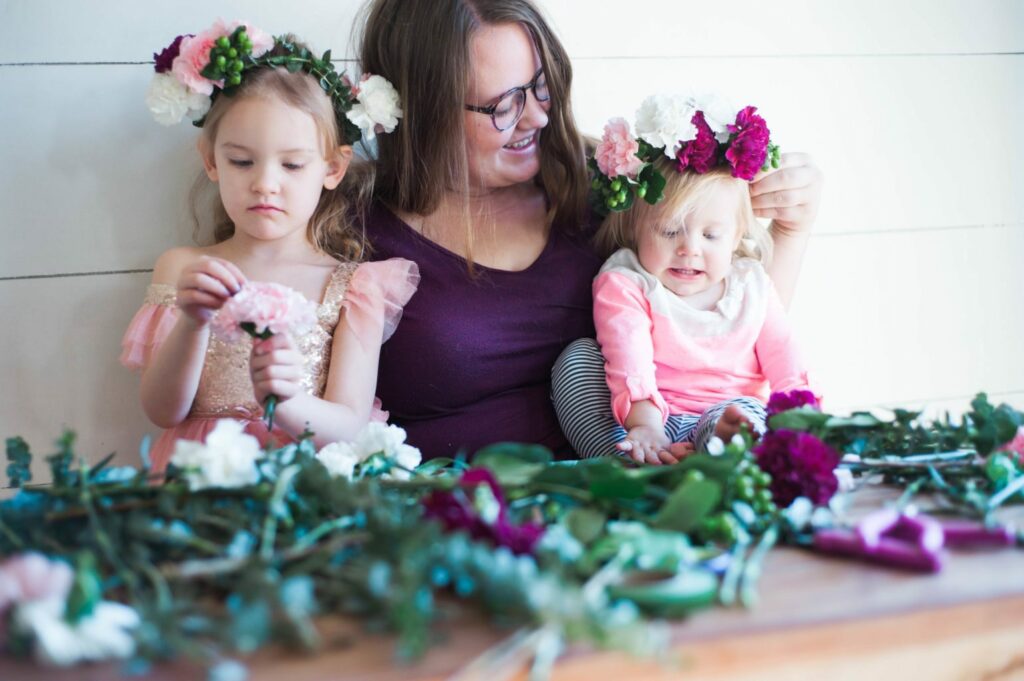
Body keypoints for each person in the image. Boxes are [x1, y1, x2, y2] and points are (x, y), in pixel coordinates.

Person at [350, 0, 822, 460]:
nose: (537, 117)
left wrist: (792, 230)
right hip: (456, 505)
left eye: (540, 87)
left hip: (640, 477)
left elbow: (732, 327)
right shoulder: (355, 229)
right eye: (503, 105)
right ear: (422, 109)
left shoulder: (609, 188)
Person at [121, 21, 417, 472]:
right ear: (211, 160)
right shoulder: (186, 269)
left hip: (302, 489)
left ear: (332, 168)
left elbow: (351, 425)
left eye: (293, 165)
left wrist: (288, 401)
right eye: (241, 161)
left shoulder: (354, 287)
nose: (264, 184)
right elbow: (163, 411)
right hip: (199, 485)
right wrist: (192, 322)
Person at [560, 100, 813, 464]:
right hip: (644, 420)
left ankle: (723, 454)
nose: (689, 249)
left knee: (744, 412)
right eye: (669, 230)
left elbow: (784, 355)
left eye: (711, 236)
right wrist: (646, 427)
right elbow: (628, 357)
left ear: (738, 235)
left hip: (723, 414)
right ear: (636, 226)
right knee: (577, 361)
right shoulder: (628, 281)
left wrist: (803, 417)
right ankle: (635, 461)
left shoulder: (751, 285)